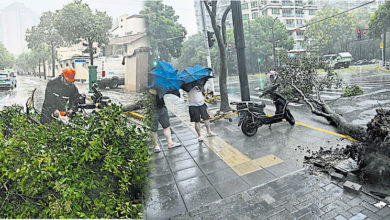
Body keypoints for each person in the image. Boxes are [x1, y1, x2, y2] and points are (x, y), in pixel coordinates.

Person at [149, 89, 181, 153]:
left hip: (156, 109)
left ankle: (157, 146)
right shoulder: (159, 86)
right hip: (158, 109)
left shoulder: (148, 88)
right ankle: (169, 143)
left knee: (156, 129)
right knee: (163, 127)